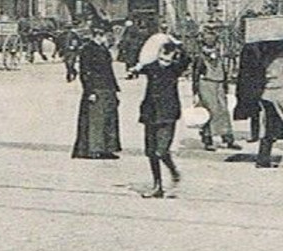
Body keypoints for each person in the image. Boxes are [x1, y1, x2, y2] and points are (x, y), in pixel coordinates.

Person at [131, 39, 189, 198]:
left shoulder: (175, 69)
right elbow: (139, 67)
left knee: (161, 151)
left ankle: (173, 172)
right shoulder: (152, 67)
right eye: (162, 58)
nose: (164, 62)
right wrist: (134, 69)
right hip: (150, 113)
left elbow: (187, 59)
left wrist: (179, 45)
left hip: (168, 114)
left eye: (167, 60)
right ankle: (158, 185)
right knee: (150, 152)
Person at [71, 22, 122, 160]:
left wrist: (115, 89)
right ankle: (93, 149)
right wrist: (90, 91)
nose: (107, 38)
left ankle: (108, 149)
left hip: (107, 88)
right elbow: (85, 72)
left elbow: (109, 71)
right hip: (96, 88)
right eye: (106, 35)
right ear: (99, 35)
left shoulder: (103, 49)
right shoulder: (87, 50)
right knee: (95, 121)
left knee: (109, 119)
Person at [191, 26, 238, 151]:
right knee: (209, 111)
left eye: (213, 39)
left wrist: (226, 85)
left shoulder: (219, 54)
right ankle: (208, 139)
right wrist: (195, 91)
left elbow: (223, 69)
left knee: (223, 110)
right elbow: (195, 74)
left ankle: (228, 138)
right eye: (208, 39)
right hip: (206, 84)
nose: (211, 41)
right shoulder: (200, 56)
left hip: (219, 84)